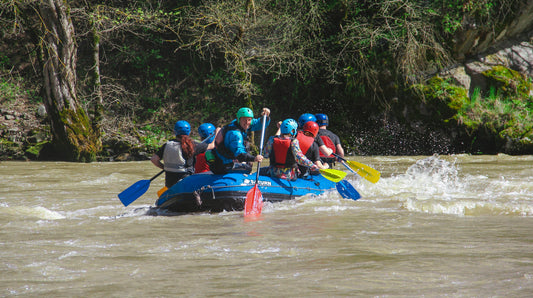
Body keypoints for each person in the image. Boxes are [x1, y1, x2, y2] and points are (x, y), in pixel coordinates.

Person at [211, 107, 271, 174]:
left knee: (248, 162)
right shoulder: (235, 134)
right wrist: (254, 158)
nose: (247, 122)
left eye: (249, 119)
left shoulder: (239, 124)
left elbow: (257, 124)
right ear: (239, 119)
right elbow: (240, 154)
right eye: (244, 120)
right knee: (248, 167)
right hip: (224, 164)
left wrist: (265, 117)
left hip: (227, 159)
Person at [151, 120, 195, 188]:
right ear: (189, 132)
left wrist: (164, 167)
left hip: (170, 184)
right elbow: (211, 146)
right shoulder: (193, 145)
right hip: (186, 182)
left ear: (175, 132)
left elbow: (154, 159)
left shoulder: (167, 145)